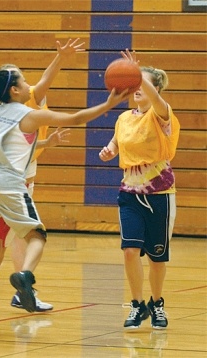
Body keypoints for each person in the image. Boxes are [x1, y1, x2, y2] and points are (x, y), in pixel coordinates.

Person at [0, 65, 129, 335]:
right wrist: (108, 103)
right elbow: (76, 118)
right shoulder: (28, 115)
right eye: (24, 81)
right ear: (15, 90)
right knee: (37, 236)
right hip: (8, 185)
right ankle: (25, 275)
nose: (29, 85)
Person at [0, 10, 83, 312]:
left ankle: (10, 287)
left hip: (21, 180)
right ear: (9, 88)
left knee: (8, 241)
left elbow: (44, 81)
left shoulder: (30, 101)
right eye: (19, 77)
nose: (27, 82)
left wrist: (60, 59)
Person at [99, 50, 180, 330]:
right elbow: (116, 144)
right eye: (134, 83)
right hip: (130, 193)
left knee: (158, 256)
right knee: (130, 251)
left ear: (155, 89)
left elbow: (157, 102)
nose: (136, 88)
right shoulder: (124, 119)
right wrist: (109, 151)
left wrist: (134, 71)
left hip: (160, 195)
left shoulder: (162, 114)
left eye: (141, 83)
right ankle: (137, 305)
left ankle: (157, 303)